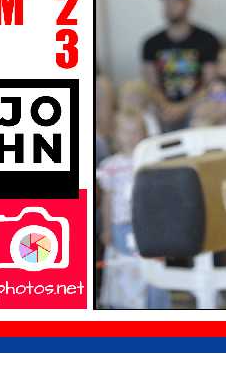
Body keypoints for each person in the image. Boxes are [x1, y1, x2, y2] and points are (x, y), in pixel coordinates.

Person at [96, 109, 171, 309]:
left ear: (144, 134)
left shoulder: (151, 162)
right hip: (122, 224)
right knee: (126, 266)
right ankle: (129, 307)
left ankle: (157, 306)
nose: (130, 137)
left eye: (135, 131)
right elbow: (108, 199)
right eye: (125, 132)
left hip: (149, 226)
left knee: (153, 265)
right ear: (116, 134)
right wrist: (106, 228)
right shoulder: (110, 166)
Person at [141, 0, 220, 131]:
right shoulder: (151, 43)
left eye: (175, 1)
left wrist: (182, 108)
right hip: (162, 107)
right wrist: (165, 105)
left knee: (213, 101)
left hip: (197, 105)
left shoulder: (208, 40)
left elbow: (210, 83)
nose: (169, 6)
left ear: (188, 4)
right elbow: (151, 84)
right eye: (166, 2)